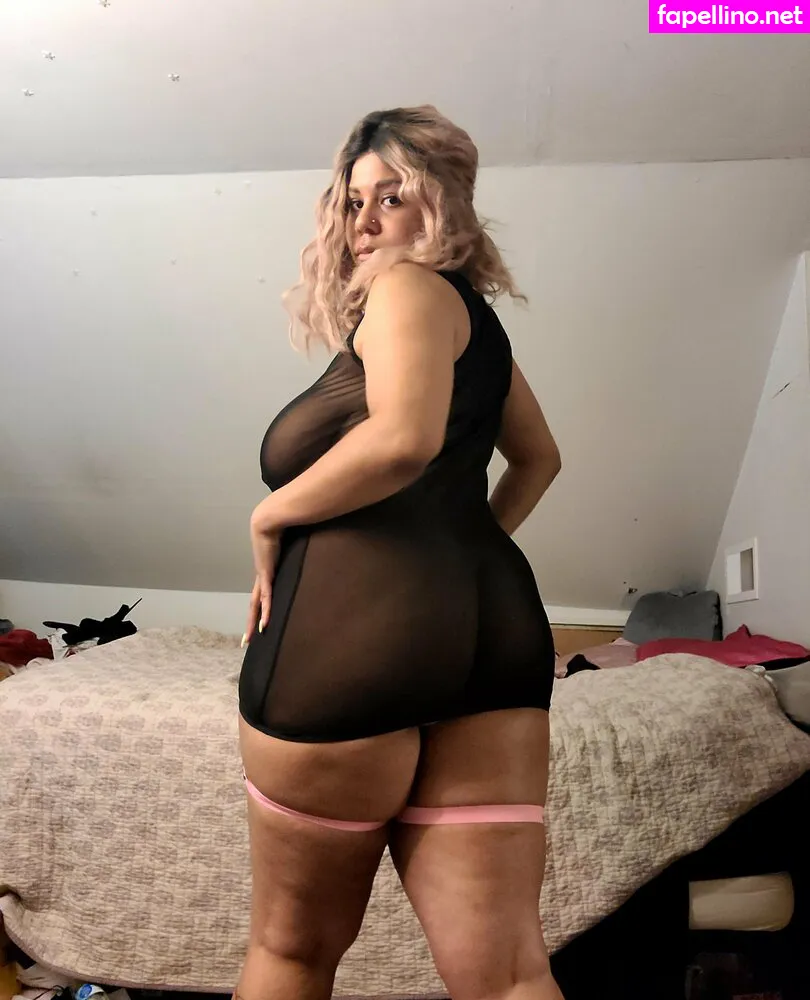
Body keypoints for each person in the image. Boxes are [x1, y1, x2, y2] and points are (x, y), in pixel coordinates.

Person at [236, 105, 564, 1000]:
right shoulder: (478, 325)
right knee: (508, 974)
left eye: (393, 195)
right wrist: (458, 552)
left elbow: (402, 441)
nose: (366, 220)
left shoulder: (408, 291)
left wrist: (270, 516)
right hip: (492, 642)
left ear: (444, 202)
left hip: (352, 648)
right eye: (354, 201)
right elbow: (540, 458)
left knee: (292, 953)